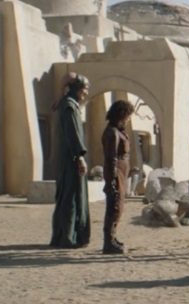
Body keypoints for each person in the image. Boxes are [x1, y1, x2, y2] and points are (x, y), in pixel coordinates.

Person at [50, 73, 91, 249]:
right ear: (77, 89)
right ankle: (69, 237)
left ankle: (68, 236)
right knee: (71, 197)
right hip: (71, 159)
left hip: (69, 158)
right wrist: (80, 157)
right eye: (84, 89)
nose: (86, 93)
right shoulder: (69, 106)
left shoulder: (69, 104)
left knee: (70, 196)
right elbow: (72, 134)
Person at [101, 100, 134, 254]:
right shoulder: (112, 132)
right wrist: (112, 178)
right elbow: (111, 158)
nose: (128, 119)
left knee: (118, 205)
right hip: (116, 173)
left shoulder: (119, 131)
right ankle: (108, 242)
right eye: (128, 116)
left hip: (121, 172)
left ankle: (112, 238)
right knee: (114, 205)